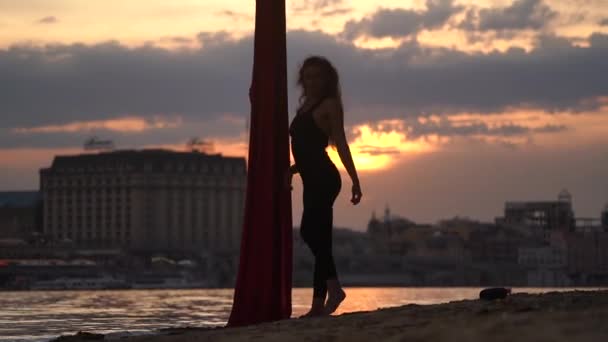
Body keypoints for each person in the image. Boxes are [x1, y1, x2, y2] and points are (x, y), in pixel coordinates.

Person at [287, 55, 362, 317]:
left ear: (327, 79)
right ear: (302, 80)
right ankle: (319, 303)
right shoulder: (305, 106)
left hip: (325, 178)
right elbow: (305, 150)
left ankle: (334, 290)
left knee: (310, 232)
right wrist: (293, 170)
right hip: (311, 177)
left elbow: (339, 142)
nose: (313, 81)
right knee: (319, 238)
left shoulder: (330, 105)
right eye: (308, 76)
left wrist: (355, 179)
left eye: (318, 76)